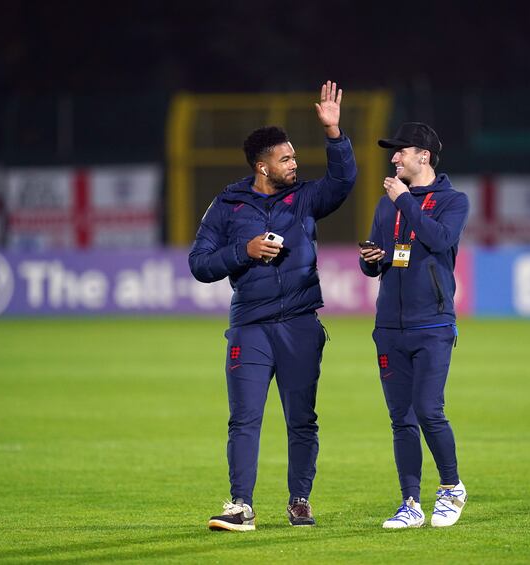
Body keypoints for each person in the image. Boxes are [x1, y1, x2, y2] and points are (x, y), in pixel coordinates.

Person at [189, 81, 356, 531]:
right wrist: (244, 251)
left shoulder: (304, 197)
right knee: (244, 418)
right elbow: (199, 264)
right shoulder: (227, 204)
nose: (294, 164)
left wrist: (335, 134)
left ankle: (299, 501)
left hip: (300, 324)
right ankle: (240, 505)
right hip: (250, 327)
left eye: (295, 157)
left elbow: (343, 182)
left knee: (302, 420)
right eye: (286, 159)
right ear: (262, 166)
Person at [359, 122, 469, 528]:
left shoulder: (452, 200)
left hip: (433, 324)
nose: (393, 157)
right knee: (401, 418)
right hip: (389, 326)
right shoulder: (387, 202)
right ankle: (410, 503)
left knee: (428, 409)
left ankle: (451, 488)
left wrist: (405, 201)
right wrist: (371, 260)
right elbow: (378, 258)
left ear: (423, 156)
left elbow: (439, 240)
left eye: (400, 151)